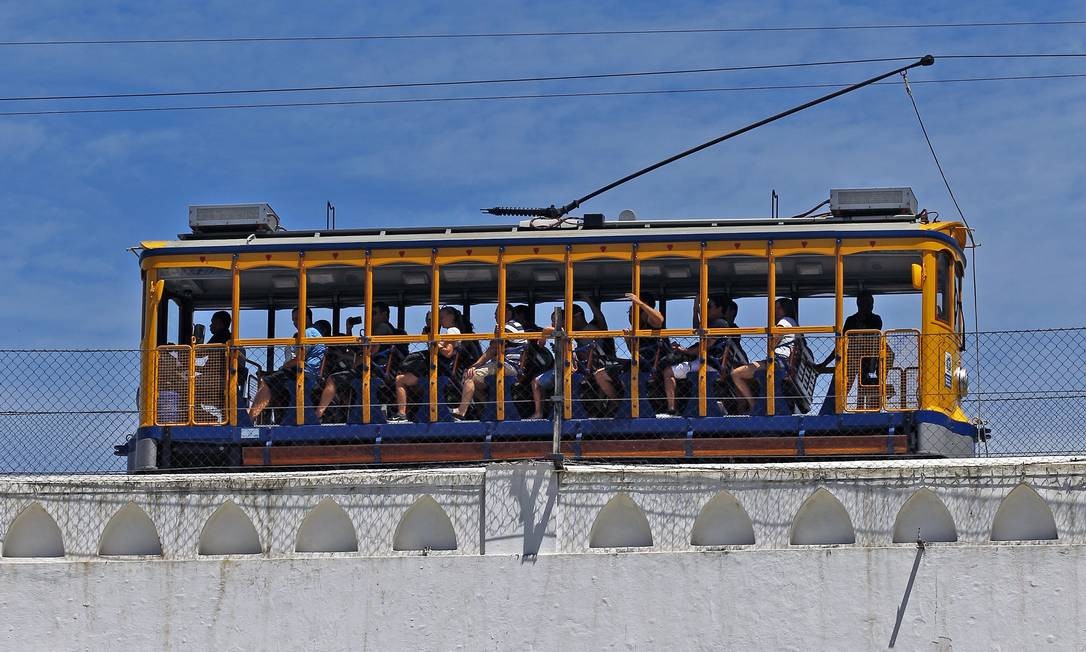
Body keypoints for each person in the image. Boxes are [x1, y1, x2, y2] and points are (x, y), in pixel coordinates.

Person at [527, 298, 619, 420]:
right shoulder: (570, 332)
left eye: (555, 320)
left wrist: (547, 334)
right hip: (569, 368)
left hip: (567, 369)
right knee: (537, 380)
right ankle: (543, 411)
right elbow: (541, 343)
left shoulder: (563, 331)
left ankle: (540, 412)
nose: (553, 323)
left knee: (536, 382)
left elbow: (545, 333)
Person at [314, 302, 401, 420]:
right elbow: (358, 351)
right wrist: (349, 330)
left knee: (332, 379)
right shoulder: (385, 329)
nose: (371, 317)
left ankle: (318, 414)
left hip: (374, 370)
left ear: (384, 314)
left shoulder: (382, 327)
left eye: (374, 313)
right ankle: (345, 415)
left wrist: (355, 363)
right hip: (376, 368)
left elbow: (370, 350)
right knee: (344, 381)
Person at [389, 306, 476, 422]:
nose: (440, 320)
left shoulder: (452, 331)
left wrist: (434, 342)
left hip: (439, 370)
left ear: (451, 316)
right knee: (401, 378)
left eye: (442, 317)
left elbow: (447, 352)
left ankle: (402, 413)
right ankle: (403, 413)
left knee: (400, 380)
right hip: (437, 368)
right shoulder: (449, 331)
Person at [658, 294, 733, 415]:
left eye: (709, 306)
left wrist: (684, 351)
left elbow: (705, 345)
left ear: (719, 309)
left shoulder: (720, 323)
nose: (707, 309)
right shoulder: (715, 323)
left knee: (668, 372)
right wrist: (696, 308)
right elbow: (697, 327)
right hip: (705, 362)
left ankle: (672, 409)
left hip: (710, 364)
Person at [248, 308, 326, 422]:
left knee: (266, 382)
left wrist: (283, 367)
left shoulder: (308, 332)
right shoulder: (315, 332)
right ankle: (283, 418)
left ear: (307, 317)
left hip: (304, 372)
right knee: (275, 379)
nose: (295, 322)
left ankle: (251, 418)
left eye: (297, 319)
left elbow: (299, 359)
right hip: (309, 373)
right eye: (293, 320)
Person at [451, 305, 525, 420]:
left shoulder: (509, 326)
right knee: (474, 382)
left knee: (469, 377)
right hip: (509, 365)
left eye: (497, 312)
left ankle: (461, 411)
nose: (495, 315)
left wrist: (475, 366)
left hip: (505, 364)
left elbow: (492, 350)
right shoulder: (514, 326)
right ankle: (490, 407)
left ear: (508, 312)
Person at [730, 297, 798, 414]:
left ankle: (753, 407)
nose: (773, 312)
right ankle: (745, 406)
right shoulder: (793, 322)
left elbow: (773, 341)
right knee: (748, 378)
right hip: (783, 362)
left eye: (775, 308)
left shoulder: (784, 322)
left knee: (736, 374)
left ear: (782, 309)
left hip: (777, 361)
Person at [818, 291, 884, 409]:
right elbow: (840, 344)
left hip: (870, 359)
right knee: (841, 383)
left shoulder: (876, 319)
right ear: (858, 304)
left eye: (869, 303)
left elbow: (873, 337)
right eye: (864, 303)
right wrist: (824, 363)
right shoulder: (851, 320)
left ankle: (876, 390)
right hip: (853, 358)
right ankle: (831, 408)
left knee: (866, 381)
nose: (868, 306)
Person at [621, 292, 672, 417]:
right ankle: (627, 406)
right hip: (644, 363)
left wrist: (639, 303)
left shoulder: (650, 321)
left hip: (660, 362)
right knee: (623, 372)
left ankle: (670, 408)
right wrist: (629, 340)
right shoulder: (636, 328)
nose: (631, 314)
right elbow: (635, 354)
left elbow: (659, 319)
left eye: (632, 310)